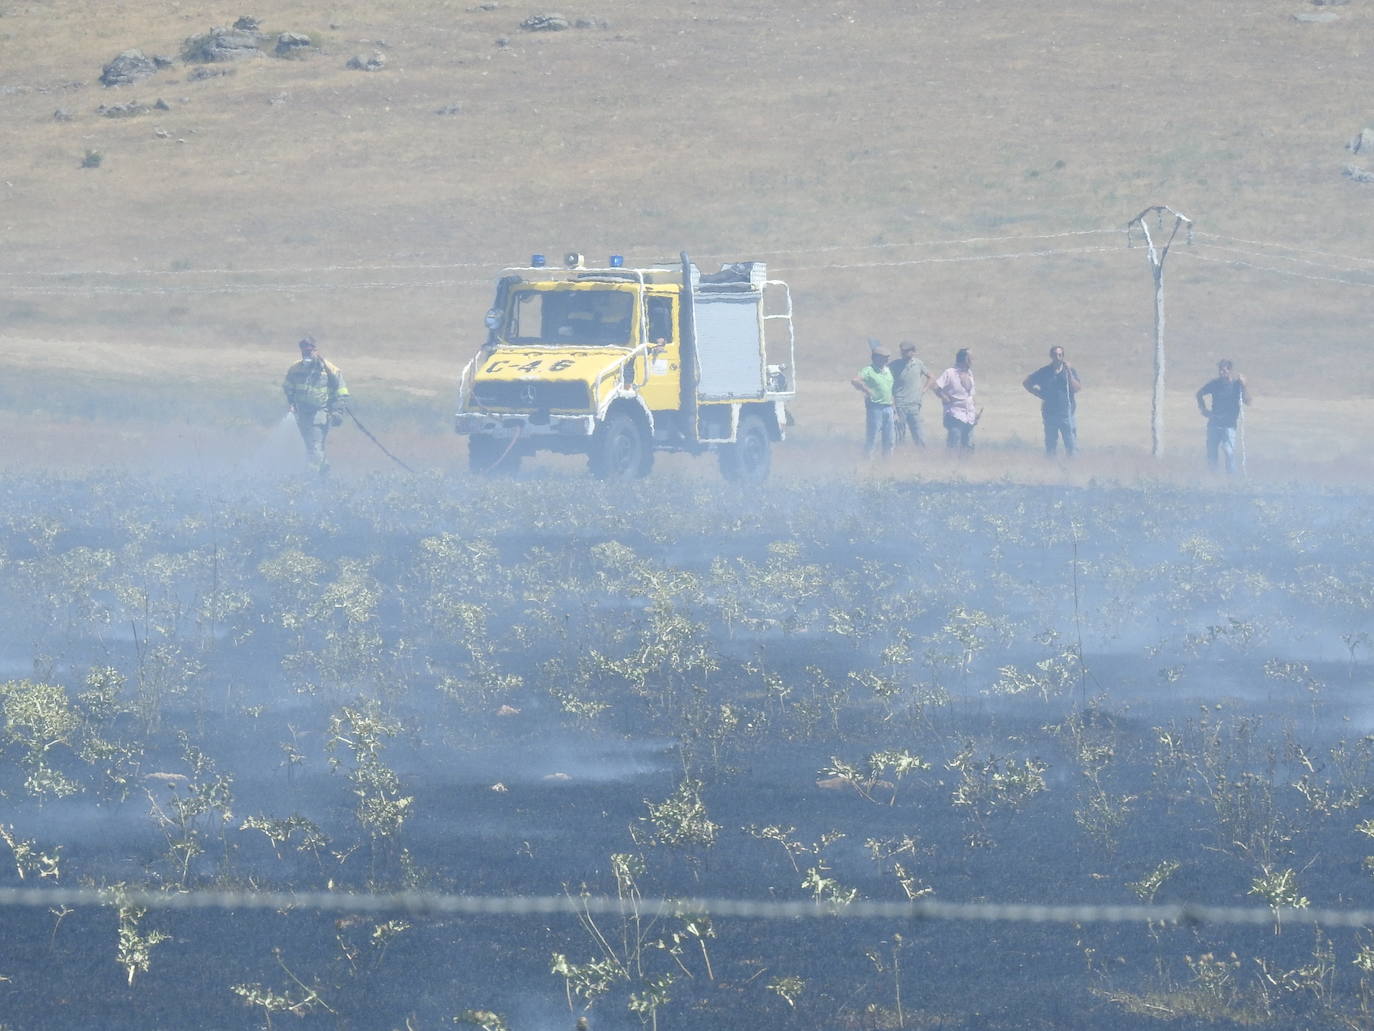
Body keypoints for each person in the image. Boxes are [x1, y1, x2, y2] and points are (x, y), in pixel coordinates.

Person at [283, 336, 350, 475]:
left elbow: (342, 391)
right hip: (301, 415)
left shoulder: (330, 369)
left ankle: (315, 478)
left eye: (309, 350)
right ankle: (322, 475)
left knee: (315, 446)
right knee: (309, 447)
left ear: (315, 349)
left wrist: (338, 411)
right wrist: (291, 403)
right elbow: (288, 386)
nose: (307, 354)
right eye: (304, 351)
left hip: (320, 414)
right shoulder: (295, 368)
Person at [1022, 345, 1082, 456]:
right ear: (1051, 356)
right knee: (1050, 447)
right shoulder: (1044, 372)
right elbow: (1026, 382)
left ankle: (1073, 468)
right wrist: (1037, 393)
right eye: (1055, 355)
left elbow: (1077, 388)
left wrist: (1068, 372)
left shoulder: (1069, 371)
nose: (1058, 357)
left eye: (1060, 355)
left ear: (1063, 356)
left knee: (1072, 447)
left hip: (1067, 414)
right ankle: (1051, 467)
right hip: (1050, 414)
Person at [1195, 358, 1251, 474]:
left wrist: (1244, 386)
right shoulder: (1215, 384)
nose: (1221, 373)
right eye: (1220, 370)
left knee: (1229, 452)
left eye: (1224, 370)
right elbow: (1199, 393)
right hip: (1214, 424)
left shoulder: (1236, 385)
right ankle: (1213, 478)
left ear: (1230, 371)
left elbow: (1248, 401)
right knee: (1211, 453)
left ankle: (1232, 480)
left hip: (1229, 425)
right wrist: (1203, 409)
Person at [851, 344, 895, 457]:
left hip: (889, 408)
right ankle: (867, 461)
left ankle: (887, 462)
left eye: (887, 357)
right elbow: (855, 380)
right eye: (884, 357)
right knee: (873, 438)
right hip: (875, 408)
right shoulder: (868, 370)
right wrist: (866, 390)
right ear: (875, 358)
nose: (887, 359)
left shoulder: (888, 370)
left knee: (890, 439)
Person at [933, 348, 977, 451]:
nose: (973, 360)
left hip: (969, 415)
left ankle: (966, 465)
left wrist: (975, 413)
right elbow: (936, 387)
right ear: (964, 359)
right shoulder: (950, 372)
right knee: (954, 442)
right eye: (970, 358)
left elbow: (971, 395)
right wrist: (944, 397)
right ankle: (950, 464)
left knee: (968, 444)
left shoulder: (970, 373)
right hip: (954, 414)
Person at [889, 340, 930, 447]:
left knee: (918, 432)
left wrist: (924, 390)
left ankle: (923, 454)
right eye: (903, 351)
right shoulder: (894, 365)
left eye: (907, 351)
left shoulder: (918, 364)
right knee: (900, 432)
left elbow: (931, 377)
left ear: (913, 352)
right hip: (900, 404)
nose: (905, 354)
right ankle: (899, 454)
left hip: (914, 404)